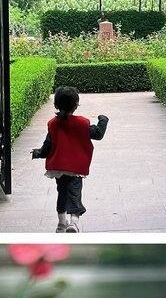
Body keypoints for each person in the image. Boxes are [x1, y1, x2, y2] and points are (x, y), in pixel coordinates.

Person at [31, 85, 109, 232]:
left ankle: (61, 223)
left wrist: (38, 153)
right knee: (74, 194)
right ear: (76, 104)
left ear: (56, 105)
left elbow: (47, 145)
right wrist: (103, 119)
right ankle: (73, 223)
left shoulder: (53, 124)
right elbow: (98, 134)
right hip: (75, 168)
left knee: (62, 193)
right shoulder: (82, 123)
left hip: (58, 168)